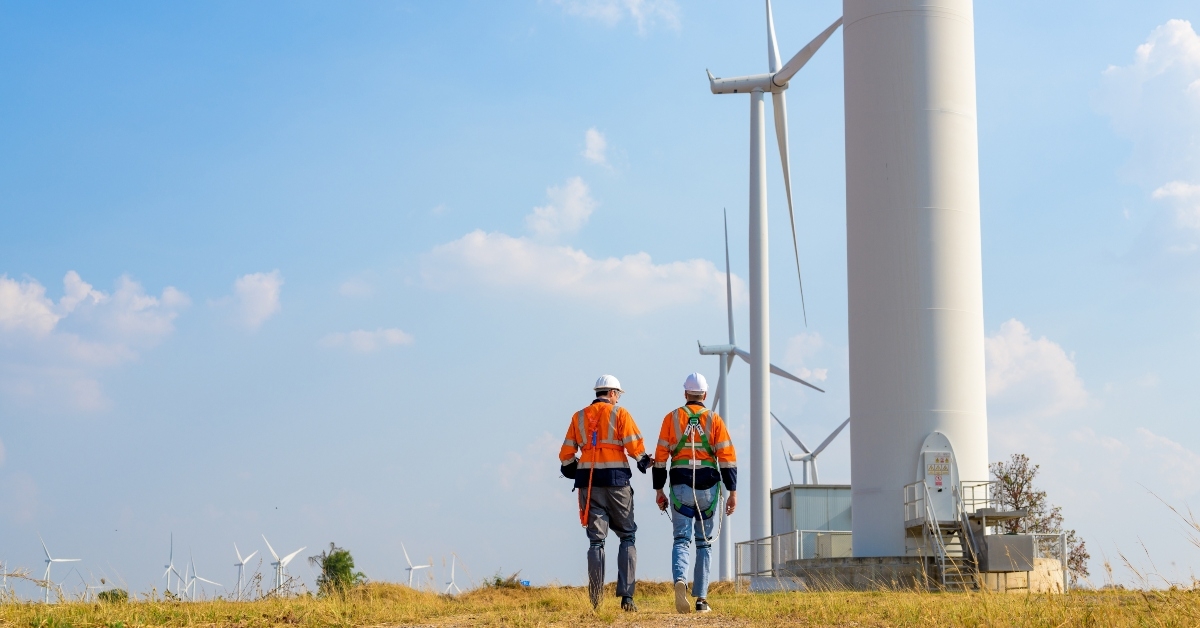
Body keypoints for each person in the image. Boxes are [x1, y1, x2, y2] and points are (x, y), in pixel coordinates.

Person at [558, 374, 653, 612]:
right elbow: (635, 447)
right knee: (627, 536)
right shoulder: (620, 414)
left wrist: (575, 469)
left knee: (596, 541)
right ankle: (627, 598)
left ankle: (595, 600)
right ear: (612, 393)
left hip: (589, 484)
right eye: (618, 395)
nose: (618, 399)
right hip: (617, 482)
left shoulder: (579, 416)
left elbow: (566, 456)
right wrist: (645, 462)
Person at [653, 372, 737, 614]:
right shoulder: (715, 420)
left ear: (685, 393)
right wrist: (732, 491)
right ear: (706, 395)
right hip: (707, 487)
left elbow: (660, 458)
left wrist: (659, 490)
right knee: (704, 543)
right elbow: (727, 458)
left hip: (680, 485)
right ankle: (701, 599)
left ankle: (680, 579)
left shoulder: (671, 418)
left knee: (681, 539)